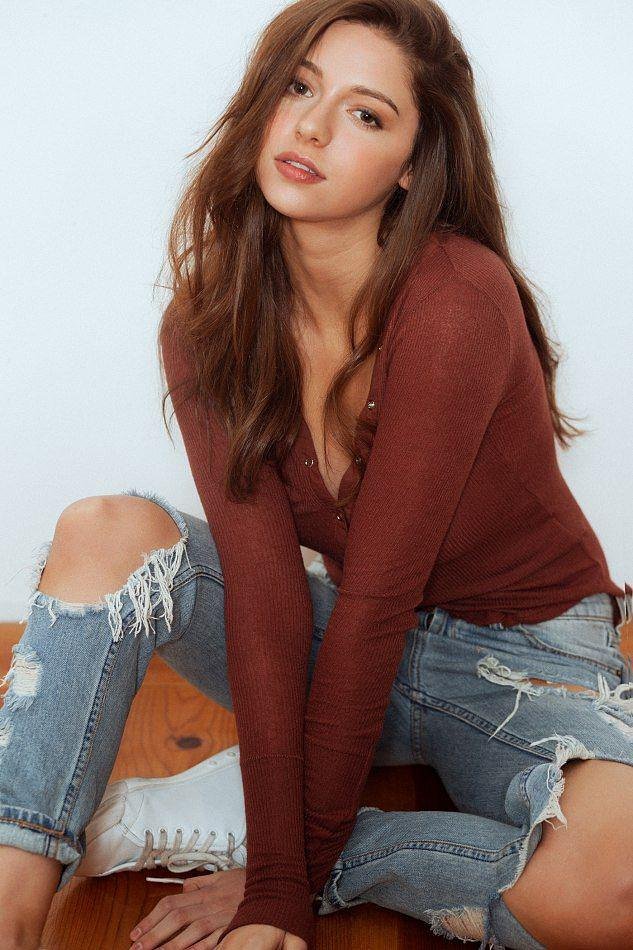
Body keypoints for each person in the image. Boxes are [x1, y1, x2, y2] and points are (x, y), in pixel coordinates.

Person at [1, 1, 632, 948]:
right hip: (335, 644)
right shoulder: (209, 322)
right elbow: (267, 598)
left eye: (365, 114)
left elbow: (379, 602)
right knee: (105, 532)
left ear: (412, 164)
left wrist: (282, 885)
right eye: (299, 87)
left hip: (523, 660)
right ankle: (11, 904)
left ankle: (301, 836)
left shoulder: (454, 301)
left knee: (614, 887)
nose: (311, 127)